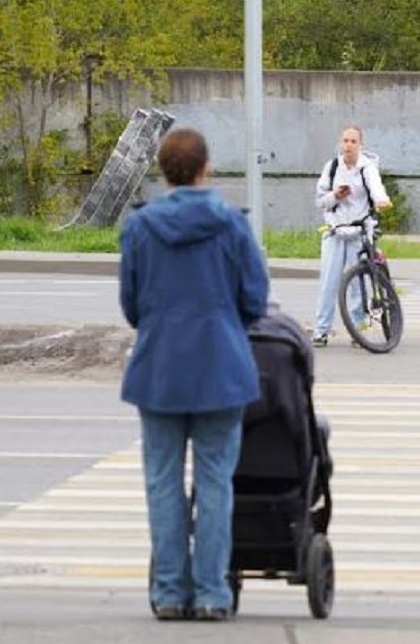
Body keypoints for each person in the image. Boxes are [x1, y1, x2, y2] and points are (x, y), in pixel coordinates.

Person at [118, 128, 269, 622]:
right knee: (215, 481)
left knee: (162, 482)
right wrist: (225, 326)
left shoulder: (140, 228)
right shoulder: (232, 223)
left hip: (159, 370)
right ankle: (210, 595)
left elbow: (132, 305)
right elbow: (255, 299)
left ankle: (167, 593)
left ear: (163, 171)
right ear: (206, 168)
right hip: (221, 369)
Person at [311, 126, 392, 347]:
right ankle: (321, 329)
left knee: (358, 283)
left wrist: (381, 201)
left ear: (360, 145)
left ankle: (357, 328)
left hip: (358, 232)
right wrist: (335, 196)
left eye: (353, 141)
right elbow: (320, 201)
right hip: (335, 231)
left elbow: (376, 189)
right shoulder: (332, 167)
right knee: (328, 282)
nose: (348, 145)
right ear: (340, 142)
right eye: (345, 141)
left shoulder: (367, 168)